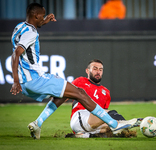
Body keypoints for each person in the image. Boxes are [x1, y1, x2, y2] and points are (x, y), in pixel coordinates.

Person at [10, 3, 138, 139]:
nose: (44, 17)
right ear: (35, 15)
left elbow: (24, 39)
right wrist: (15, 80)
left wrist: (44, 22)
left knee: (63, 94)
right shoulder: (31, 32)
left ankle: (37, 123)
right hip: (35, 79)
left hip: (26, 84)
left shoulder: (19, 27)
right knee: (80, 93)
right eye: (42, 15)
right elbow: (16, 54)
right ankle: (113, 124)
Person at [70, 59, 142, 138]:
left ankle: (85, 135)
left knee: (111, 130)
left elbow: (103, 117)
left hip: (92, 124)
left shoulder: (106, 92)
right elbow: (64, 96)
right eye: (95, 69)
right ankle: (126, 123)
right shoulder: (80, 81)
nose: (98, 72)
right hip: (80, 117)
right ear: (87, 71)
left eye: (100, 70)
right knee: (110, 115)